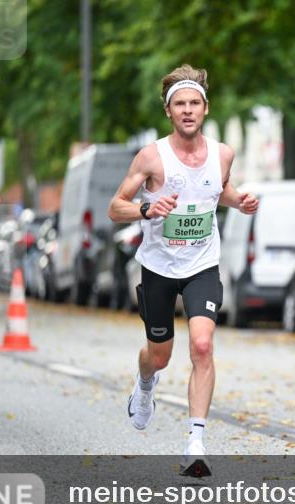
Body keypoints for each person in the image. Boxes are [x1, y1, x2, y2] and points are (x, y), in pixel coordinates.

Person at [108, 64, 258, 476]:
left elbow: (217, 190)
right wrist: (145, 207)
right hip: (158, 267)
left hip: (202, 265)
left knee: (203, 346)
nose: (187, 110)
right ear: (169, 112)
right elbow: (115, 206)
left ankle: (195, 441)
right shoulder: (152, 156)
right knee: (159, 357)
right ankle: (144, 385)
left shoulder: (223, 154)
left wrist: (238, 201)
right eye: (180, 104)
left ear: (205, 108)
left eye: (194, 103)